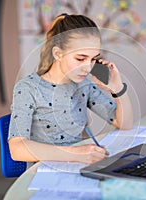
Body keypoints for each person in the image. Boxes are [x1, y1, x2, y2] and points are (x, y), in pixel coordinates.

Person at [8, 13, 133, 167]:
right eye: (80, 59)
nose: (88, 67)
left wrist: (118, 89)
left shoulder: (84, 84)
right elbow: (17, 149)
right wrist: (76, 154)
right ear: (58, 54)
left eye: (93, 59)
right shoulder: (28, 88)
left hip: (78, 165)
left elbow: (124, 123)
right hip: (45, 172)